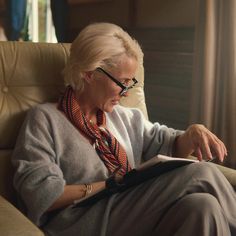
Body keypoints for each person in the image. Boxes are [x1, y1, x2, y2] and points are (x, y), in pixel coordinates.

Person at [12, 22, 236, 236]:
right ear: (89, 73)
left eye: (131, 83)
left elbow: (168, 143)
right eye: (122, 82)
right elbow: (41, 194)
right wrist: (109, 185)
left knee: (203, 207)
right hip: (78, 222)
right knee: (201, 172)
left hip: (127, 215)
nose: (126, 92)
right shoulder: (44, 119)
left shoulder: (124, 117)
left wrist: (192, 133)